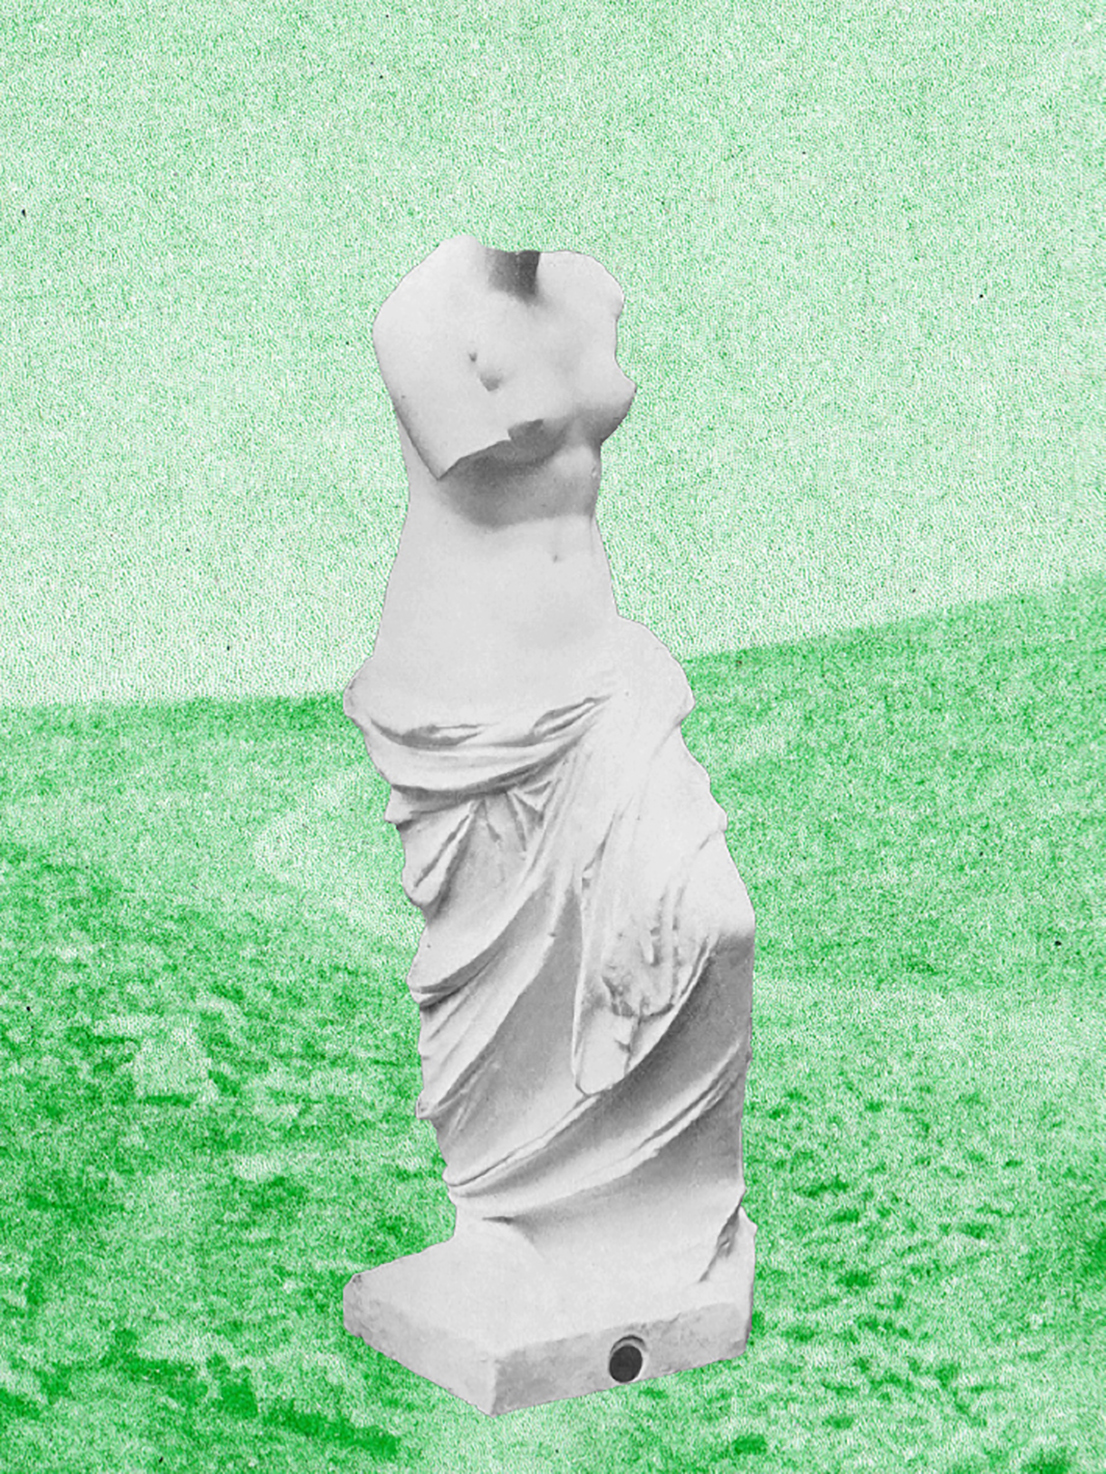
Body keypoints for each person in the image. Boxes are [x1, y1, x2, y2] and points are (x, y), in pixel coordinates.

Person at [344, 235, 756, 1312]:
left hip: (598, 670)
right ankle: (510, 1226)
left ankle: (655, 1227)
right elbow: (469, 460)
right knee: (515, 989)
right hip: (475, 690)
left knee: (712, 925)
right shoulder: (423, 316)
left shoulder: (589, 285)